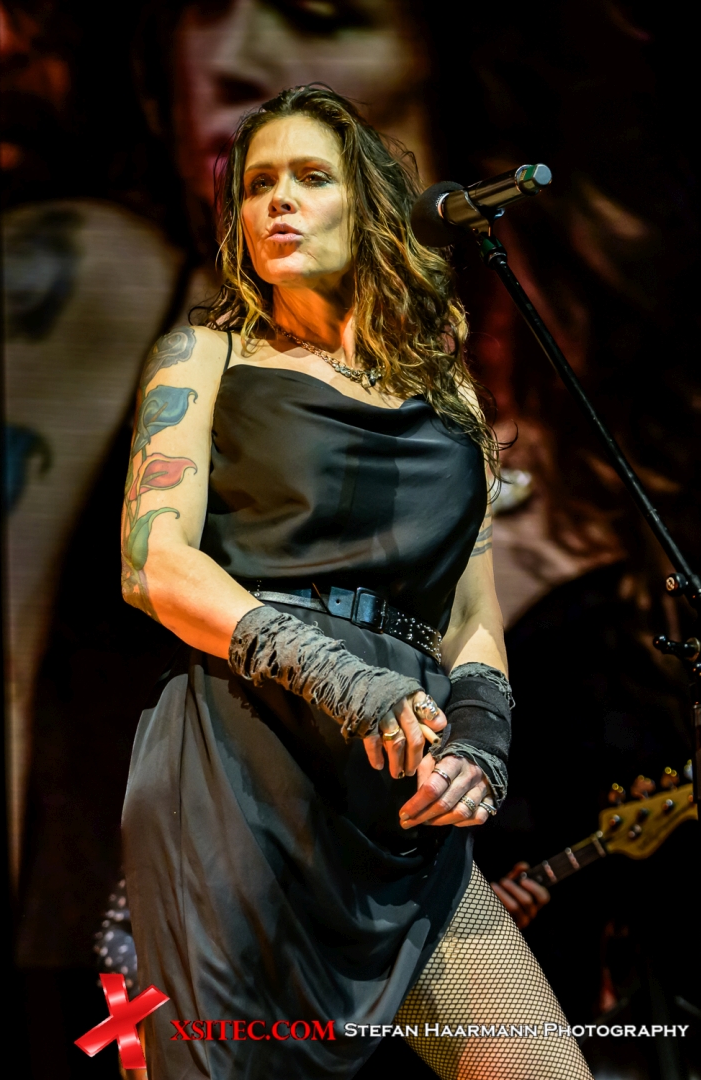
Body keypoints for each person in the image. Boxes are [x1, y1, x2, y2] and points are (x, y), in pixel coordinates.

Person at [119, 86, 592, 1079]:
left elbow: (472, 613)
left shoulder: (448, 394)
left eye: (310, 177)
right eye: (258, 185)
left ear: (368, 206)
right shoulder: (204, 357)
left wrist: (481, 740)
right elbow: (154, 564)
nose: (278, 202)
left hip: (399, 809)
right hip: (243, 772)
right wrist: (343, 678)